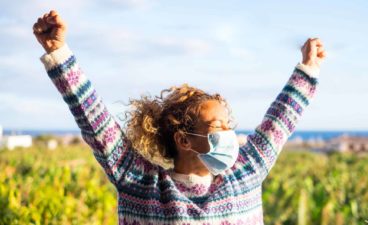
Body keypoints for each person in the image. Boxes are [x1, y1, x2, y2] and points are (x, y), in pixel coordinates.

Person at [33, 10, 326, 225]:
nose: (229, 133)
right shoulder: (141, 186)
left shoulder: (245, 173)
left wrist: (308, 68)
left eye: (229, 125)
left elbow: (280, 120)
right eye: (216, 126)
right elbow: (95, 120)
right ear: (184, 139)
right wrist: (57, 53)